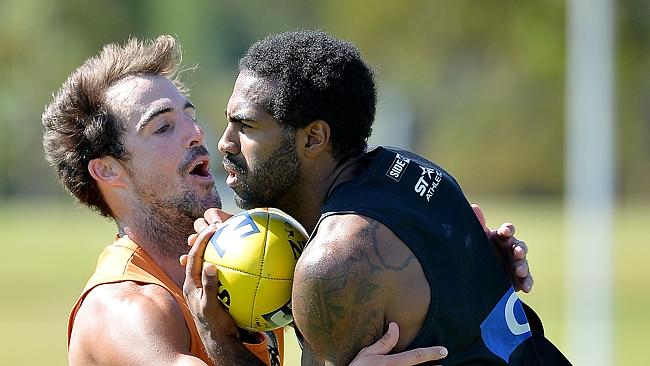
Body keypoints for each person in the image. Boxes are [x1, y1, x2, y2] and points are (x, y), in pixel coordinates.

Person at [42, 35, 474, 365]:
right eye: (162, 128)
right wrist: (219, 339)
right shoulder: (123, 310)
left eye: (189, 117)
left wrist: (463, 248)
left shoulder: (251, 243)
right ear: (109, 170)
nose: (198, 134)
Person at [184, 30, 570, 365]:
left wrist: (216, 336)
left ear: (314, 138)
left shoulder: (331, 264)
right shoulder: (410, 169)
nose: (224, 142)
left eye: (246, 126)